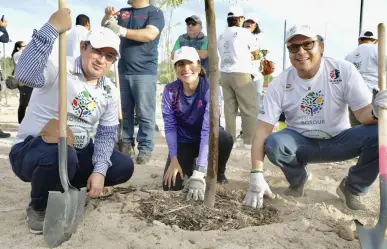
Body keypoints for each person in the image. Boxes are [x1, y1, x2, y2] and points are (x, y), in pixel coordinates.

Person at [9, 9, 134, 234]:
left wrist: (100, 171)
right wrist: (50, 29)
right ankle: (38, 207)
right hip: (33, 152)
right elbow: (25, 75)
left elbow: (106, 134)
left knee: (123, 166)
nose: (101, 60)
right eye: (97, 51)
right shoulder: (59, 67)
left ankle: (66, 186)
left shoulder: (110, 91)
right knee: (61, 153)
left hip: (76, 153)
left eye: (109, 56)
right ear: (83, 47)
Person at [243, 24, 387, 211]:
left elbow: (362, 115)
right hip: (302, 144)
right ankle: (298, 178)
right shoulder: (280, 83)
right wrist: (256, 174)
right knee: (274, 144)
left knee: (382, 133)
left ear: (321, 47)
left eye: (308, 44)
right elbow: (262, 131)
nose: (301, 51)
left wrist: (376, 111)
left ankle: (352, 188)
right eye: (294, 47)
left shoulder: (343, 70)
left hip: (340, 141)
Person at [162, 46, 234, 197]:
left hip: (209, 139)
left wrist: (200, 171)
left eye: (190, 63)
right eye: (180, 64)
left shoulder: (211, 89)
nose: (186, 68)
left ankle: (217, 172)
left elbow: (207, 130)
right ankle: (189, 165)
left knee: (224, 138)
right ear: (175, 68)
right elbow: (170, 127)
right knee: (170, 186)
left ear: (199, 65)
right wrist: (174, 158)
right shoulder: (170, 91)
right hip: (185, 141)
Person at [102, 0, 165, 164]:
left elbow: (149, 34)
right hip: (122, 71)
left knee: (145, 113)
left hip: (144, 72)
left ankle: (145, 148)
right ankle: (126, 144)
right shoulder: (124, 12)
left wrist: (121, 30)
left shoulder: (155, 13)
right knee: (124, 112)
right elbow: (106, 27)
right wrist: (107, 17)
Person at [217, 5, 258, 149]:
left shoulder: (221, 35)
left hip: (225, 74)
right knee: (249, 108)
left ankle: (230, 141)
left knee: (229, 110)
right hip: (241, 73)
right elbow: (255, 53)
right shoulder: (245, 33)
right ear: (240, 19)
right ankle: (249, 141)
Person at [345, 29, 387, 127]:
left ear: (359, 41)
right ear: (376, 41)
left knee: (357, 130)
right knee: (376, 129)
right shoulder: (379, 51)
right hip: (373, 94)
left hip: (353, 96)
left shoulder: (348, 56)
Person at [7, 41, 32, 124]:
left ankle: (24, 121)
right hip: (23, 81)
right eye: (23, 46)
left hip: (28, 81)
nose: (25, 47)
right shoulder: (17, 54)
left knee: (27, 102)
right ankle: (21, 121)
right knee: (24, 103)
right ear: (18, 48)